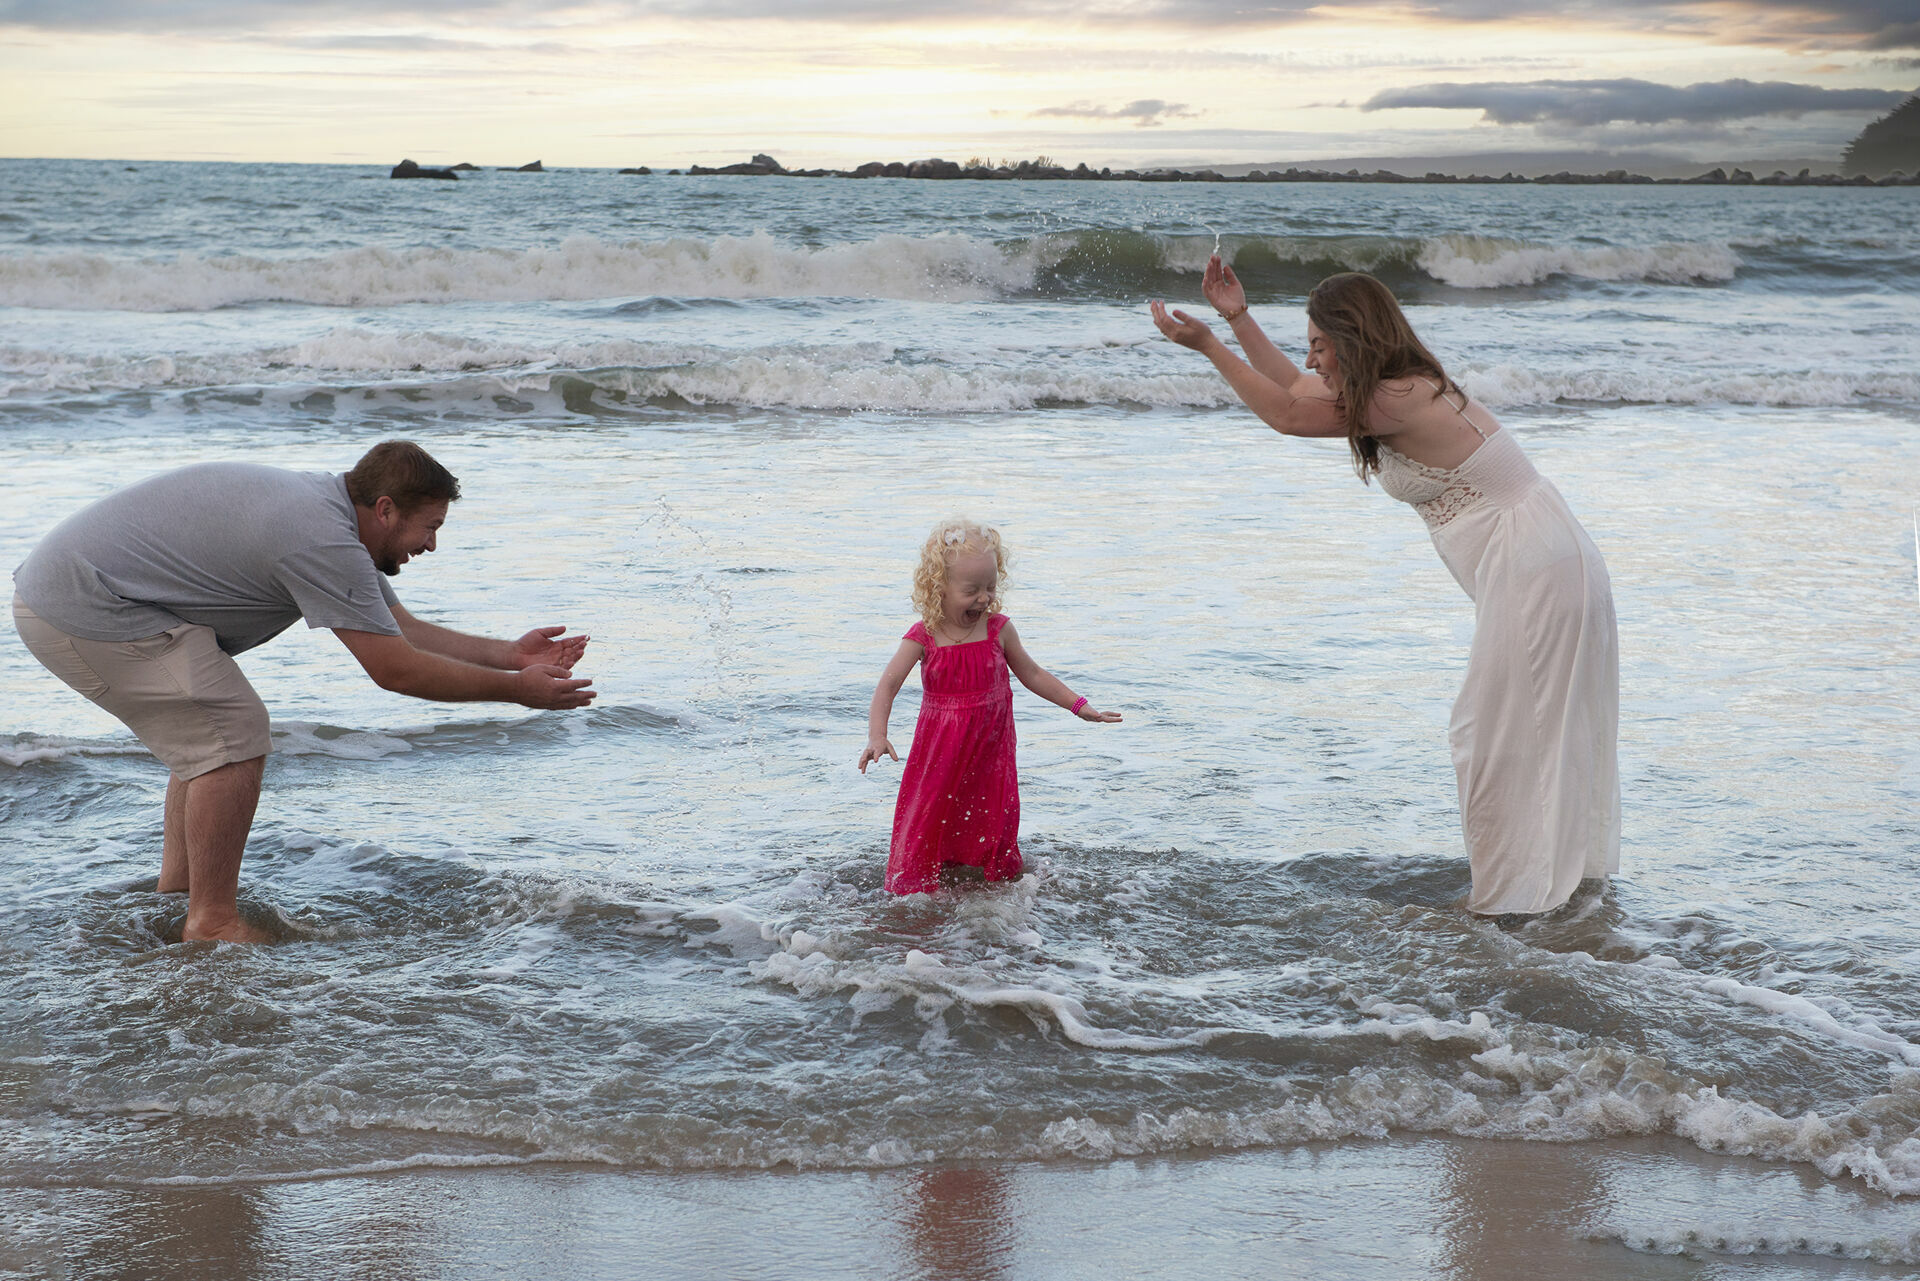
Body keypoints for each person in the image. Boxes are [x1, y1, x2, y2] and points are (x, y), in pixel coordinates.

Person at [1150, 262, 1618, 915]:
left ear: (1354, 336)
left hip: (1538, 564)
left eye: (1319, 343)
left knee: (1491, 731)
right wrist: (1236, 317)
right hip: (1545, 557)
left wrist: (1207, 346)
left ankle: (1513, 900)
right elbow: (1293, 384)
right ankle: (1534, 889)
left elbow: (1286, 411)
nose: (1311, 358)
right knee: (1512, 729)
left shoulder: (1395, 398)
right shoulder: (1393, 390)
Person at [11, 440, 596, 943]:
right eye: (431, 527)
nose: (432, 545)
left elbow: (404, 631)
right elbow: (396, 669)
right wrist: (519, 691)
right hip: (84, 606)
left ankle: (182, 899)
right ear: (387, 509)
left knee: (207, 735)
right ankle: (211, 922)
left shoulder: (328, 518)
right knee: (230, 732)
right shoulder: (322, 541)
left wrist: (512, 656)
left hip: (72, 595)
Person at [858, 520, 1121, 895]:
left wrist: (1078, 706)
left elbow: (1032, 672)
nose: (984, 598)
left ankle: (983, 884)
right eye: (972, 590)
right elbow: (887, 685)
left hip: (990, 753)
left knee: (989, 817)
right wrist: (878, 735)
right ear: (940, 588)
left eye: (990, 587)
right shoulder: (924, 636)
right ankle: (926, 890)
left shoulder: (998, 629)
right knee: (933, 816)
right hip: (940, 753)